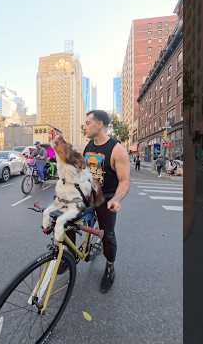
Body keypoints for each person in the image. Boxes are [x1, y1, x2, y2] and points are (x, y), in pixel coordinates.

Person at [82, 109, 130, 293]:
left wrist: (116, 199)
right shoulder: (88, 146)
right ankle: (67, 257)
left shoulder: (117, 149)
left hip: (107, 199)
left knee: (107, 235)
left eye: (88, 123)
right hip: (89, 196)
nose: (85, 126)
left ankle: (110, 266)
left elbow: (124, 181)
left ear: (100, 124)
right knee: (66, 218)